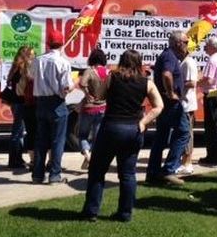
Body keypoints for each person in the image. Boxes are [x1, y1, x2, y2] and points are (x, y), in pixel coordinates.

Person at [81, 50, 163, 222]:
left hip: (111, 127)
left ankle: (91, 212)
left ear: (121, 61)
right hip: (133, 129)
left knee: (97, 171)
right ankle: (125, 213)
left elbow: (100, 95)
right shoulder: (147, 83)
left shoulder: (113, 77)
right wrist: (143, 122)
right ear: (139, 63)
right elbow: (158, 106)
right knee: (127, 174)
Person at [146, 31, 190, 185]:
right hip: (170, 104)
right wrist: (171, 93)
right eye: (186, 42)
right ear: (178, 43)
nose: (187, 46)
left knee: (161, 137)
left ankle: (153, 174)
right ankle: (168, 170)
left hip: (164, 104)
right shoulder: (170, 56)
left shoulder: (168, 56)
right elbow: (166, 74)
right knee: (184, 132)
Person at [30, 29, 74, 184]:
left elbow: (30, 76)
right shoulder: (63, 62)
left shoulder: (38, 60)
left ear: (48, 43)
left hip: (41, 102)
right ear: (61, 43)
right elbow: (66, 86)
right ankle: (54, 174)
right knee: (58, 140)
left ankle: (37, 174)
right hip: (57, 103)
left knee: (40, 140)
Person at [197, 37, 217, 166]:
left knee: (211, 127)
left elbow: (209, 80)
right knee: (216, 125)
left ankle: (213, 156)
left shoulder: (212, 60)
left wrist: (196, 82)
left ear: (213, 47)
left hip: (211, 94)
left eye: (207, 45)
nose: (205, 47)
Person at [78, 48, 109, 170]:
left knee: (82, 135)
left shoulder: (89, 71)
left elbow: (82, 83)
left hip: (88, 108)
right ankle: (93, 159)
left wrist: (86, 94)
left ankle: (87, 155)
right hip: (103, 108)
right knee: (97, 137)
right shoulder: (107, 72)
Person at [6, 46, 32, 169]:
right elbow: (24, 87)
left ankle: (16, 158)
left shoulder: (14, 67)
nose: (33, 56)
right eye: (32, 54)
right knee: (18, 132)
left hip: (14, 102)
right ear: (26, 55)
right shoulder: (23, 69)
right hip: (21, 102)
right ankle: (15, 160)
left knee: (18, 131)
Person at [176, 50, 198, 175]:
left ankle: (187, 163)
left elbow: (192, 82)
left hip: (187, 103)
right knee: (184, 132)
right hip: (184, 102)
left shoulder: (188, 63)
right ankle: (184, 161)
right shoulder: (184, 62)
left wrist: (176, 85)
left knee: (187, 133)